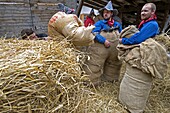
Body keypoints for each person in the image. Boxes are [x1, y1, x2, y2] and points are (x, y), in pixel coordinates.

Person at [118, 3, 168, 113]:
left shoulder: (152, 24)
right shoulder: (145, 23)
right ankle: (126, 101)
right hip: (141, 51)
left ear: (152, 12)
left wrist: (124, 41)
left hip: (146, 53)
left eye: (146, 11)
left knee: (140, 77)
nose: (142, 13)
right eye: (142, 11)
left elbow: (139, 38)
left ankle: (134, 107)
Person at [83, 1, 122, 86]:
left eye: (107, 12)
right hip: (101, 48)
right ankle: (91, 82)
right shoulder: (99, 23)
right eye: (104, 12)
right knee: (94, 64)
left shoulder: (117, 24)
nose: (105, 14)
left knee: (113, 64)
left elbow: (121, 34)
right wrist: (103, 40)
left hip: (114, 50)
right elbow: (94, 33)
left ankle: (110, 80)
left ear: (111, 13)